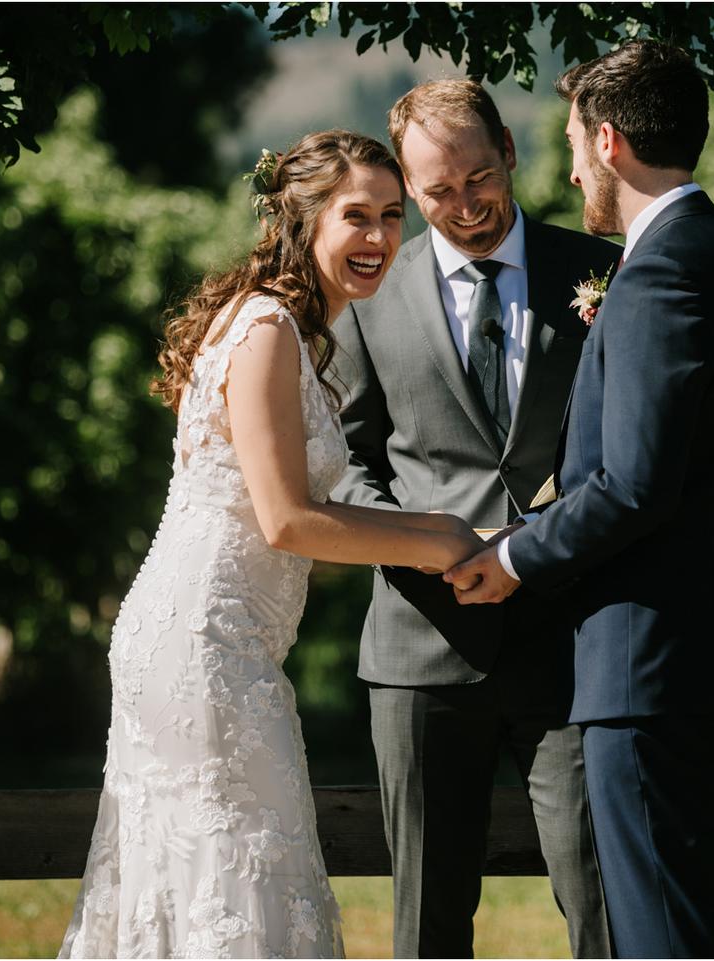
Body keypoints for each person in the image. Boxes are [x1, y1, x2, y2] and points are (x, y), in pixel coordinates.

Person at [59, 130, 482, 960]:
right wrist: (444, 543)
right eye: (355, 215)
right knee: (243, 866)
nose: (380, 238)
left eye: (393, 216)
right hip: (204, 647)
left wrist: (444, 530)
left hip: (217, 640)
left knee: (218, 871)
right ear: (304, 219)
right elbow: (288, 518)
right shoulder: (266, 331)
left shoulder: (291, 328)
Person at [446, 41, 714, 959]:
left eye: (572, 144)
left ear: (609, 140)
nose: (573, 166)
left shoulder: (661, 273)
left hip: (653, 671)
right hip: (702, 660)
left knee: (665, 937)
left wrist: (513, 557)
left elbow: (635, 483)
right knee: (696, 921)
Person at [330, 79, 617, 958]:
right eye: (437, 192)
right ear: (410, 192)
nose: (464, 206)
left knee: (603, 907)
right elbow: (345, 466)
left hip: (573, 644)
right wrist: (431, 550)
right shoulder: (367, 296)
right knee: (427, 923)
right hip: (420, 651)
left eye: (478, 178)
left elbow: (632, 452)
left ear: (511, 152)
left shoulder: (602, 273)